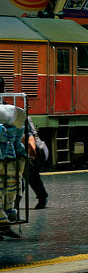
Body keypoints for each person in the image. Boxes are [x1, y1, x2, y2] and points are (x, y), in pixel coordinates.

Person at [0, 100, 25, 238]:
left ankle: (4, 221)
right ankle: (8, 214)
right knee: (10, 187)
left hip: (5, 158)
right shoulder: (14, 112)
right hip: (9, 159)